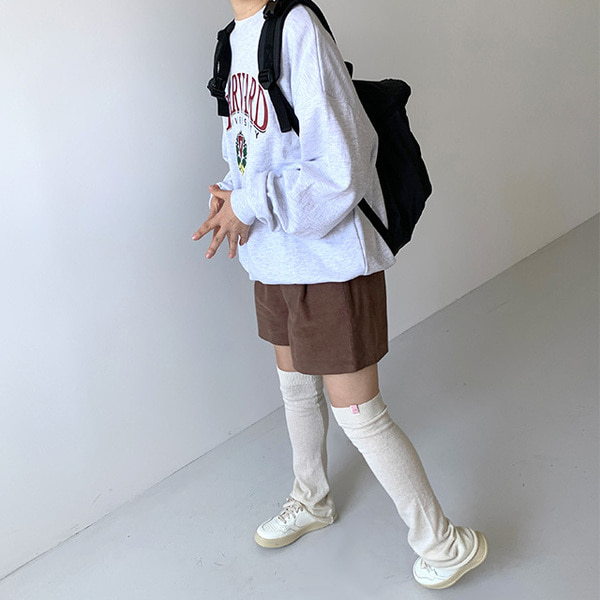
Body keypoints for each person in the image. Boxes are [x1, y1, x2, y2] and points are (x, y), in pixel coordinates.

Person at [193, 0, 488, 590]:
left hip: (327, 258)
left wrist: (250, 202)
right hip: (272, 253)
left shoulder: (296, 27)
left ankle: (444, 544)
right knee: (294, 384)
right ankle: (312, 499)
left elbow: (343, 165)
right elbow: (250, 146)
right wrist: (229, 191)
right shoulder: (232, 39)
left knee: (358, 411)